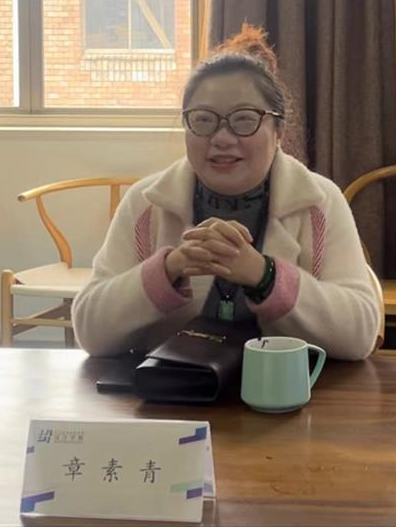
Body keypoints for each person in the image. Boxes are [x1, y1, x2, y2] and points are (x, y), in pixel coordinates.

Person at [73, 24, 379, 361]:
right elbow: (90, 332)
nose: (221, 138)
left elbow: (360, 334)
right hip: (172, 387)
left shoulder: (319, 201)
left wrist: (263, 276)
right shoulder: (146, 202)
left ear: (278, 129)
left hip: (290, 388)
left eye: (244, 120)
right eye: (204, 120)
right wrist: (170, 268)